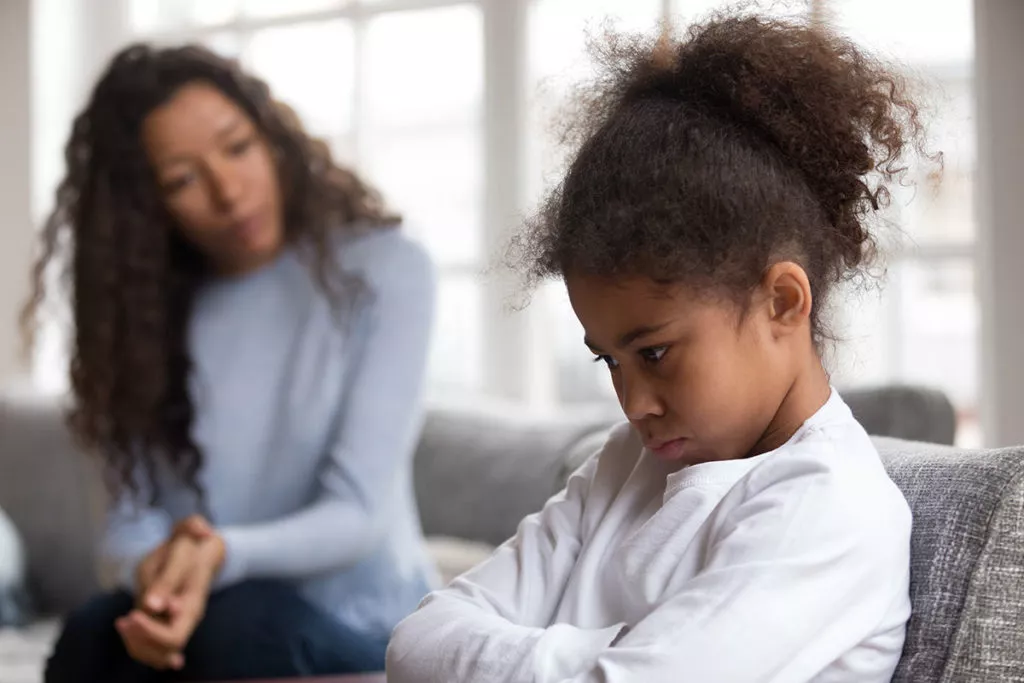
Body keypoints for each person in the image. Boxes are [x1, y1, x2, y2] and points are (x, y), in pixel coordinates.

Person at [387, 11, 932, 683]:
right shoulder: (623, 466)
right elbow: (415, 644)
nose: (633, 403)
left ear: (782, 303)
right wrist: (620, 648)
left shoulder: (830, 510)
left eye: (654, 353)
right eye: (608, 359)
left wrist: (576, 648)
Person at [24, 42, 437, 682]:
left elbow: (356, 514)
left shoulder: (384, 271)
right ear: (144, 206)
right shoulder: (135, 318)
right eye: (183, 179)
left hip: (363, 630)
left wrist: (217, 557)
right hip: (208, 606)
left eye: (238, 147)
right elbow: (126, 528)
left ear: (270, 136)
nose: (228, 190)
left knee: (240, 628)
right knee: (92, 637)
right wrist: (160, 595)